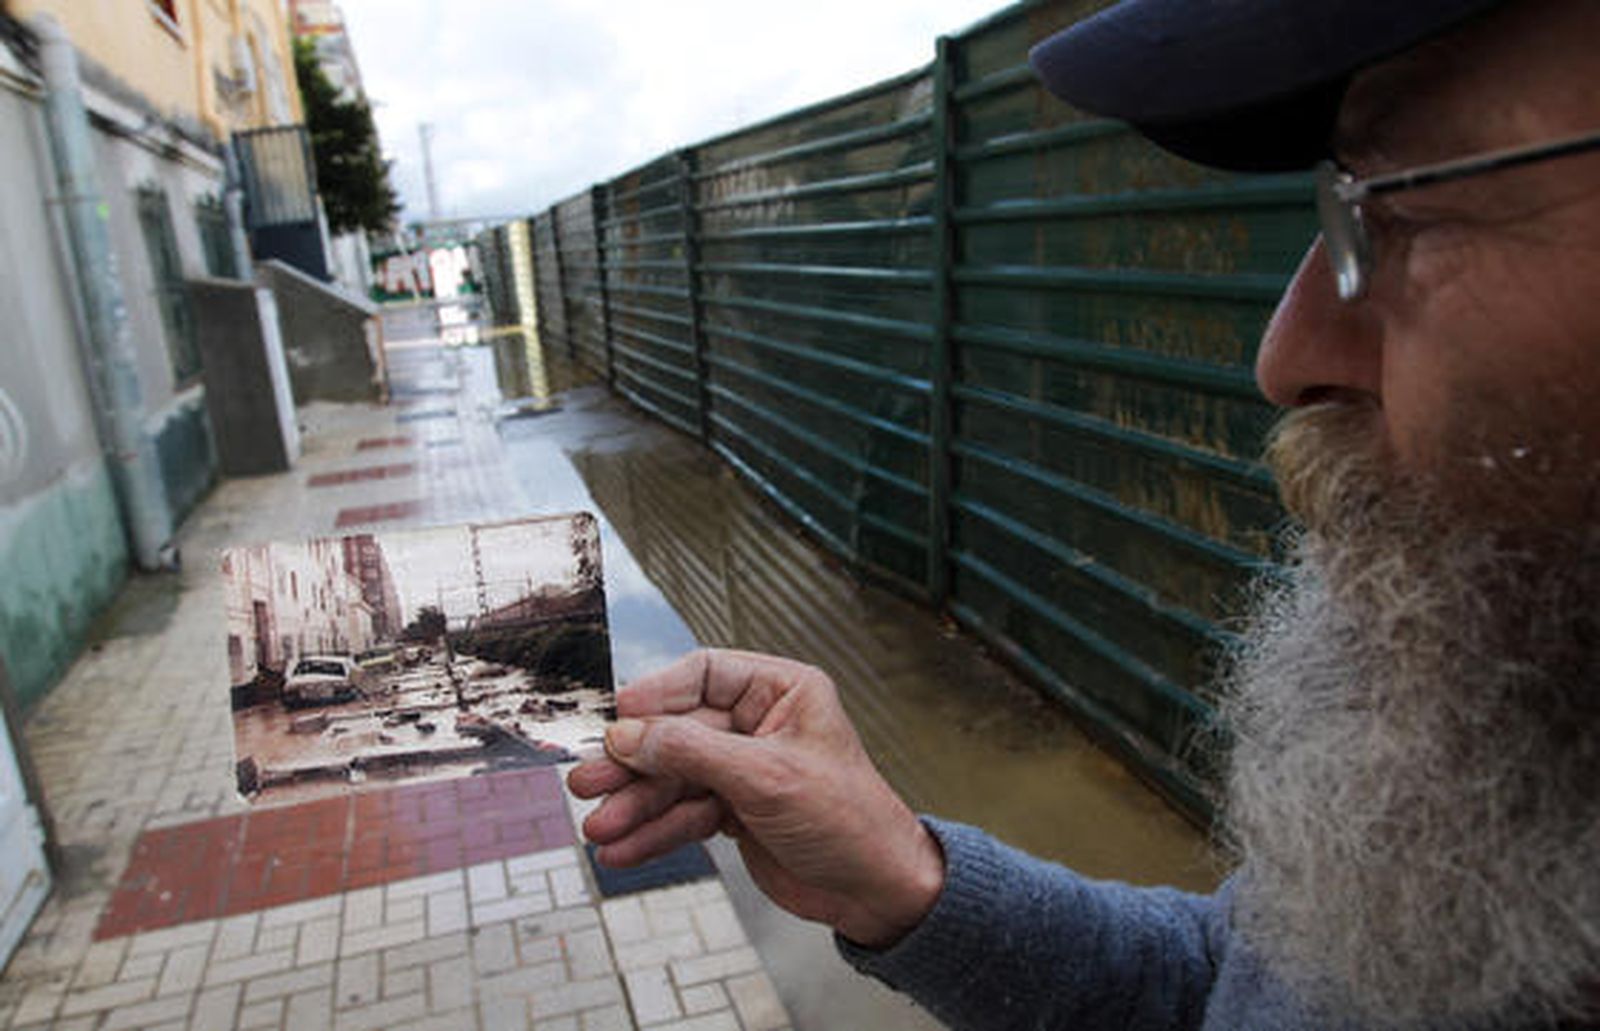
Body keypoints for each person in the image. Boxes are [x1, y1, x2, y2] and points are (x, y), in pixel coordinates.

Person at [569, 0, 1600, 1026]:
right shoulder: (1505, 781)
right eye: (1340, 210)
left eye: (1407, 204)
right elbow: (1240, 985)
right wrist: (902, 879)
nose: (1285, 355)